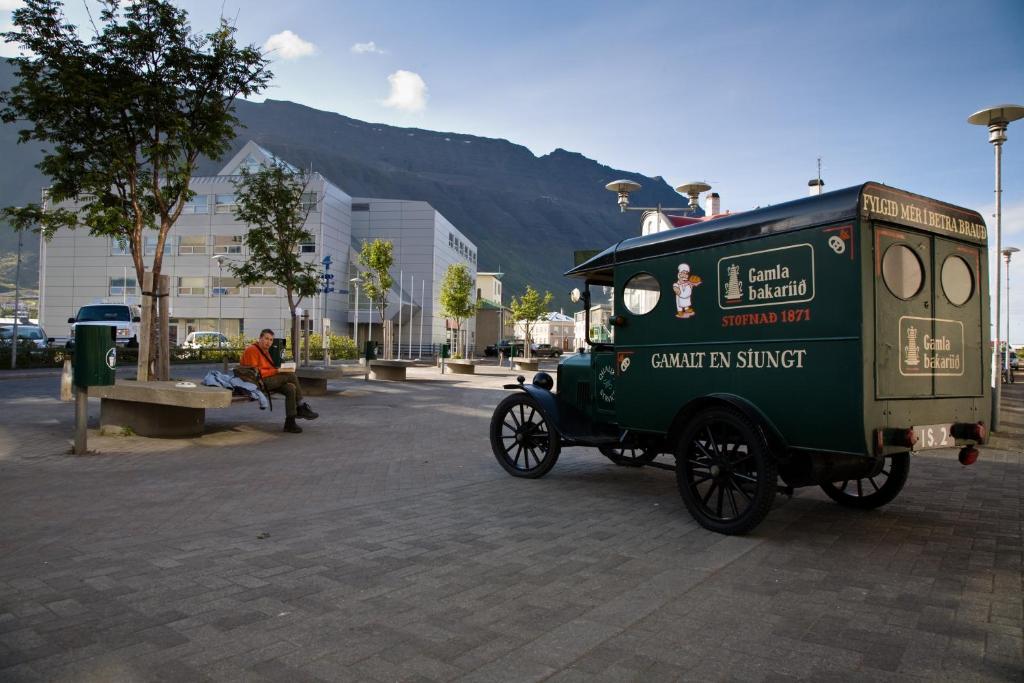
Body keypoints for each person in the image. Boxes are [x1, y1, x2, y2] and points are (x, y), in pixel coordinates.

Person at [240, 329, 318, 433]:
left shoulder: (265, 351)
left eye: (271, 340)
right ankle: (300, 406)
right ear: (260, 338)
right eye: (266, 338)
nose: (268, 342)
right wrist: (277, 371)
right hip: (257, 383)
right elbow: (255, 373)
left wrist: (279, 369)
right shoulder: (252, 350)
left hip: (266, 380)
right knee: (290, 375)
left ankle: (290, 423)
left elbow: (268, 369)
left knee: (291, 388)